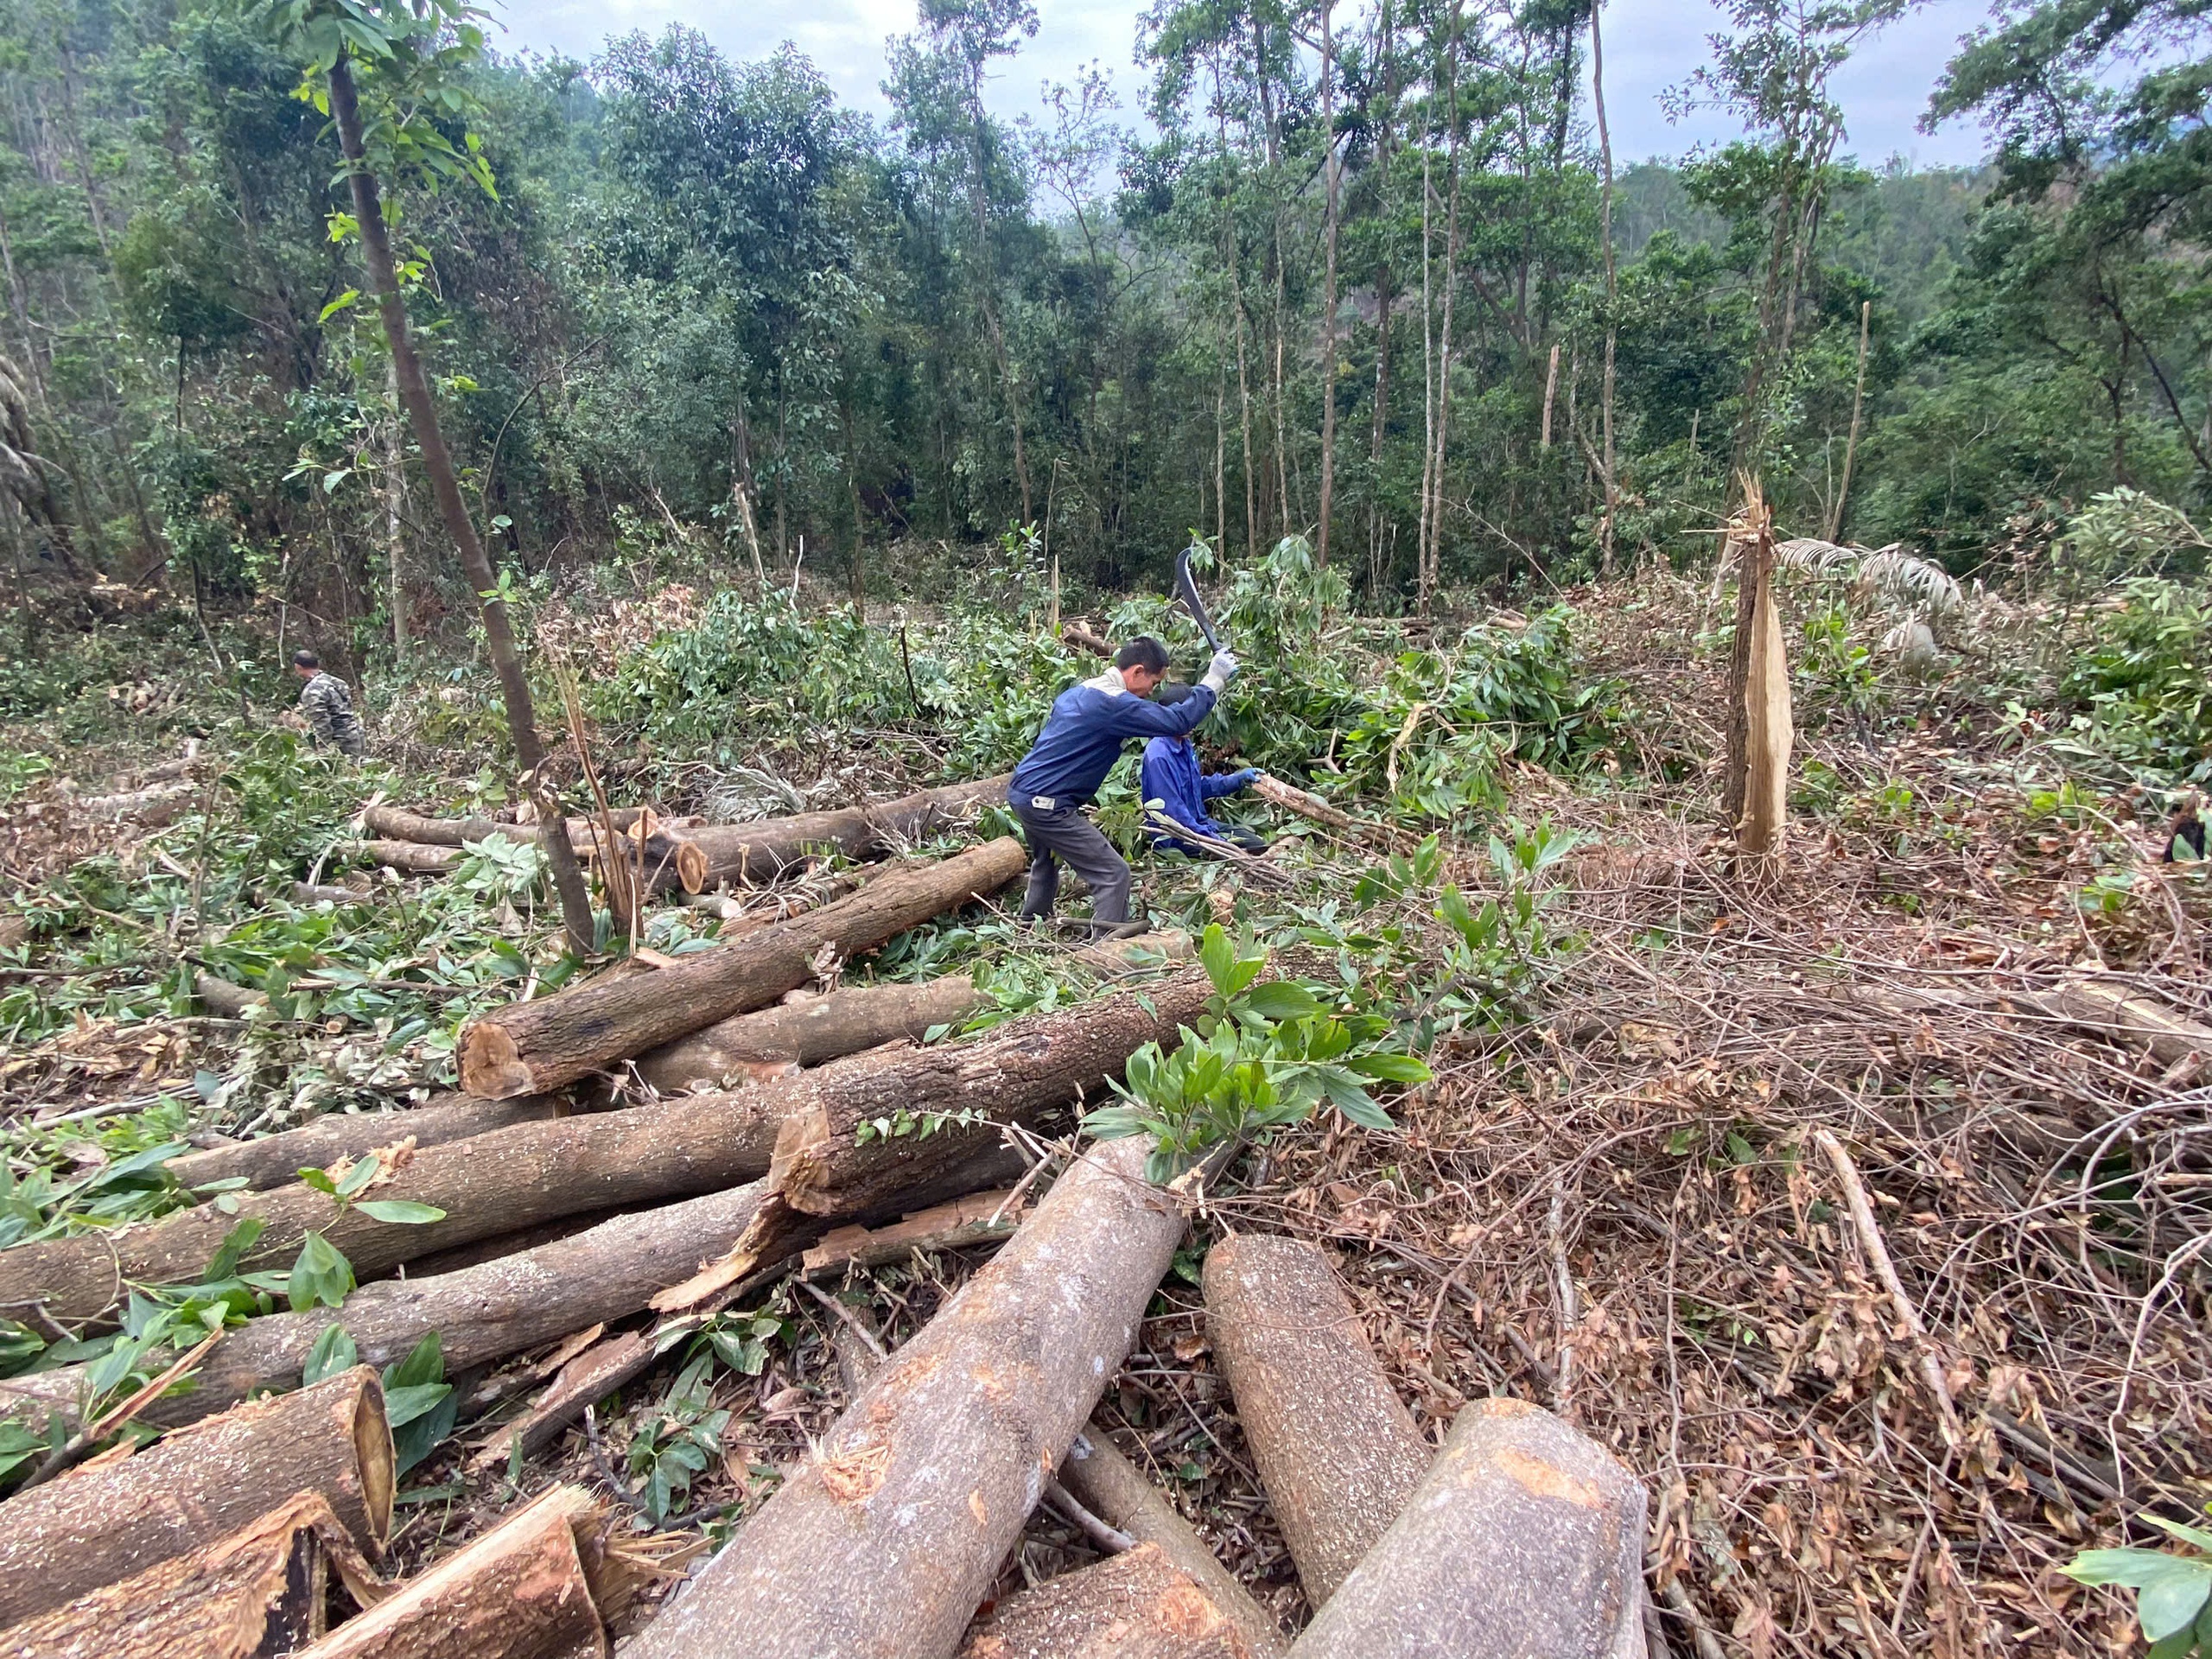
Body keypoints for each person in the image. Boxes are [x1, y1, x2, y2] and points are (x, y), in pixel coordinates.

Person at [1008, 635, 1236, 936]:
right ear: (1138, 671)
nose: (1150, 692)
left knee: (1046, 860)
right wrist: (1214, 679)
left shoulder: (1083, 690)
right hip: (1047, 804)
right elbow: (1177, 721)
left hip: (1024, 794)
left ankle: (1031, 929)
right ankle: (1104, 952)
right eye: (1153, 684)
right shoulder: (1112, 703)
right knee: (1113, 873)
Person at [1140, 687, 1265, 856]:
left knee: (1257, 845)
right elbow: (1174, 815)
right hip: (1178, 838)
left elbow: (1198, 786)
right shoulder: (1159, 756)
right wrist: (1215, 841)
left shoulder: (1184, 744)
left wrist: (1237, 779)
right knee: (1238, 854)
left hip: (1201, 824)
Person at [292, 650, 366, 758]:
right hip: (357, 735)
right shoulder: (338, 682)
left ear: (298, 667)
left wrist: (323, 751)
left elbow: (322, 724)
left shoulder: (312, 690)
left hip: (341, 743)